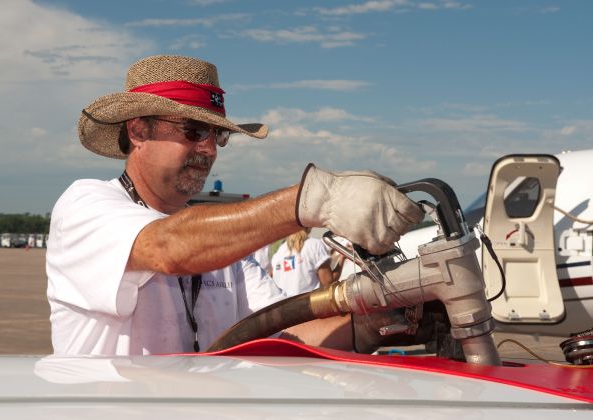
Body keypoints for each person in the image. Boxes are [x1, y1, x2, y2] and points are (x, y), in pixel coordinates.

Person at [45, 55, 424, 356]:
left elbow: (283, 330)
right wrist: (313, 199)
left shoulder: (226, 250)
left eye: (218, 134)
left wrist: (371, 327)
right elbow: (167, 248)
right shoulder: (85, 204)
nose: (209, 149)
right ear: (139, 131)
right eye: (193, 131)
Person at [271, 228, 334, 296]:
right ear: (309, 226)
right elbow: (327, 283)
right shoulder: (315, 244)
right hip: (310, 303)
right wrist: (341, 260)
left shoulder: (279, 252)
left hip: (284, 304)